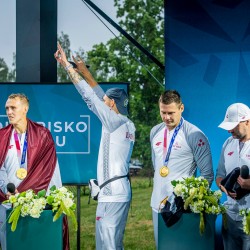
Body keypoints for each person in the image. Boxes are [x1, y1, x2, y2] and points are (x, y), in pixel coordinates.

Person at [54, 43, 135, 250]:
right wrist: (86, 72)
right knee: (111, 244)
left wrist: (67, 67)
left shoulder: (113, 121)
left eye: (107, 100)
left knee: (108, 247)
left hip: (112, 194)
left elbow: (91, 97)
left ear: (111, 104)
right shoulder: (125, 122)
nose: (103, 101)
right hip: (115, 192)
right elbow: (100, 95)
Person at [0, 93, 69, 250]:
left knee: (37, 244)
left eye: (13, 108)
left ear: (25, 109)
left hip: (37, 202)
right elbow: (0, 169)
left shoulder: (42, 134)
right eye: (7, 108)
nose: (9, 112)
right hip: (7, 202)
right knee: (10, 245)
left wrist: (56, 199)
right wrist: (6, 189)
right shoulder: (2, 136)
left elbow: (51, 170)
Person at [150, 90, 214, 248]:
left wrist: (186, 202)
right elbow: (156, 166)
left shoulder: (195, 135)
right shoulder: (155, 132)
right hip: (157, 204)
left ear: (181, 108)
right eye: (163, 112)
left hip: (181, 209)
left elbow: (207, 175)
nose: (166, 117)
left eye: (171, 112)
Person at [216, 103, 250, 250]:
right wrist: (224, 187)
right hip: (230, 216)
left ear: (247, 121)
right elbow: (220, 175)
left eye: (234, 126)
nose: (230, 130)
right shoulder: (227, 144)